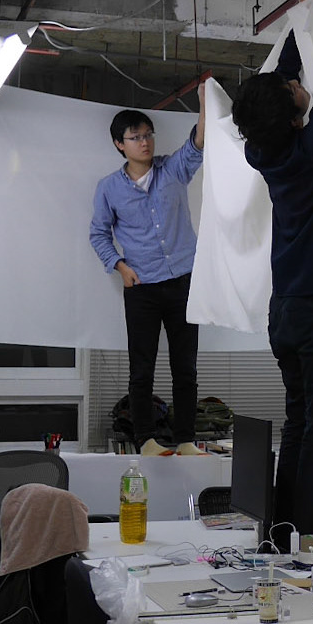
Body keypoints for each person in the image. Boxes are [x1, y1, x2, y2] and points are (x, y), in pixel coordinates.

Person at [232, 0, 313, 545]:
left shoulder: (264, 151)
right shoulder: (309, 152)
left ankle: (284, 530)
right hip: (311, 311)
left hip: (284, 313)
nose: (297, 83)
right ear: (291, 111)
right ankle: (307, 535)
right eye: (292, 89)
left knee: (302, 421)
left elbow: (280, 85)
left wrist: (299, 15)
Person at [88, 99, 207, 456]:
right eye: (136, 137)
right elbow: (98, 233)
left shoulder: (173, 169)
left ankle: (185, 440)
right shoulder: (109, 188)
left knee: (185, 368)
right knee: (142, 370)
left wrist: (204, 103)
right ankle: (146, 441)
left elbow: (198, 143)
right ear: (119, 144)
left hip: (183, 282)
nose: (145, 142)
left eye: (148, 135)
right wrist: (120, 266)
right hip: (141, 287)